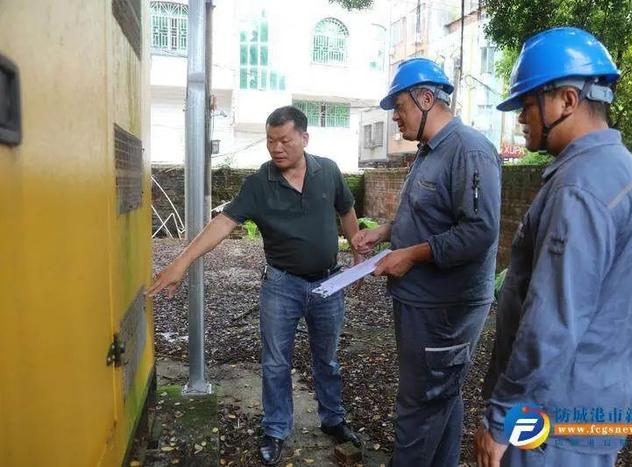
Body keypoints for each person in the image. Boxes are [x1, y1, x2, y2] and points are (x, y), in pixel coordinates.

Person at [474, 27, 632, 467]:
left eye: (527, 103)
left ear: (567, 101)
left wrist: (503, 422)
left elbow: (550, 323)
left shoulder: (579, 187)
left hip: (548, 422)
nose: (521, 118)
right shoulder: (631, 175)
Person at [147, 106, 362, 466]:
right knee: (276, 362)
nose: (276, 148)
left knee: (327, 358)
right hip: (282, 285)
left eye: (285, 140)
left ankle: (333, 419)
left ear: (304, 139)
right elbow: (222, 224)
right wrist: (180, 262)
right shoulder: (259, 183)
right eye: (270, 140)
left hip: (328, 283)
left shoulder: (328, 171)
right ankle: (276, 429)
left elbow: (347, 209)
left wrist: (357, 253)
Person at [352, 57, 502, 466]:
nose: (396, 118)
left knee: (419, 406)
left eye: (399, 108)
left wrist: (411, 255)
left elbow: (478, 232)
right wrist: (384, 232)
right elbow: (425, 215)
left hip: (446, 307)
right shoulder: (428, 151)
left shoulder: (469, 149)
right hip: (421, 300)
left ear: (424, 98)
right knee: (441, 396)